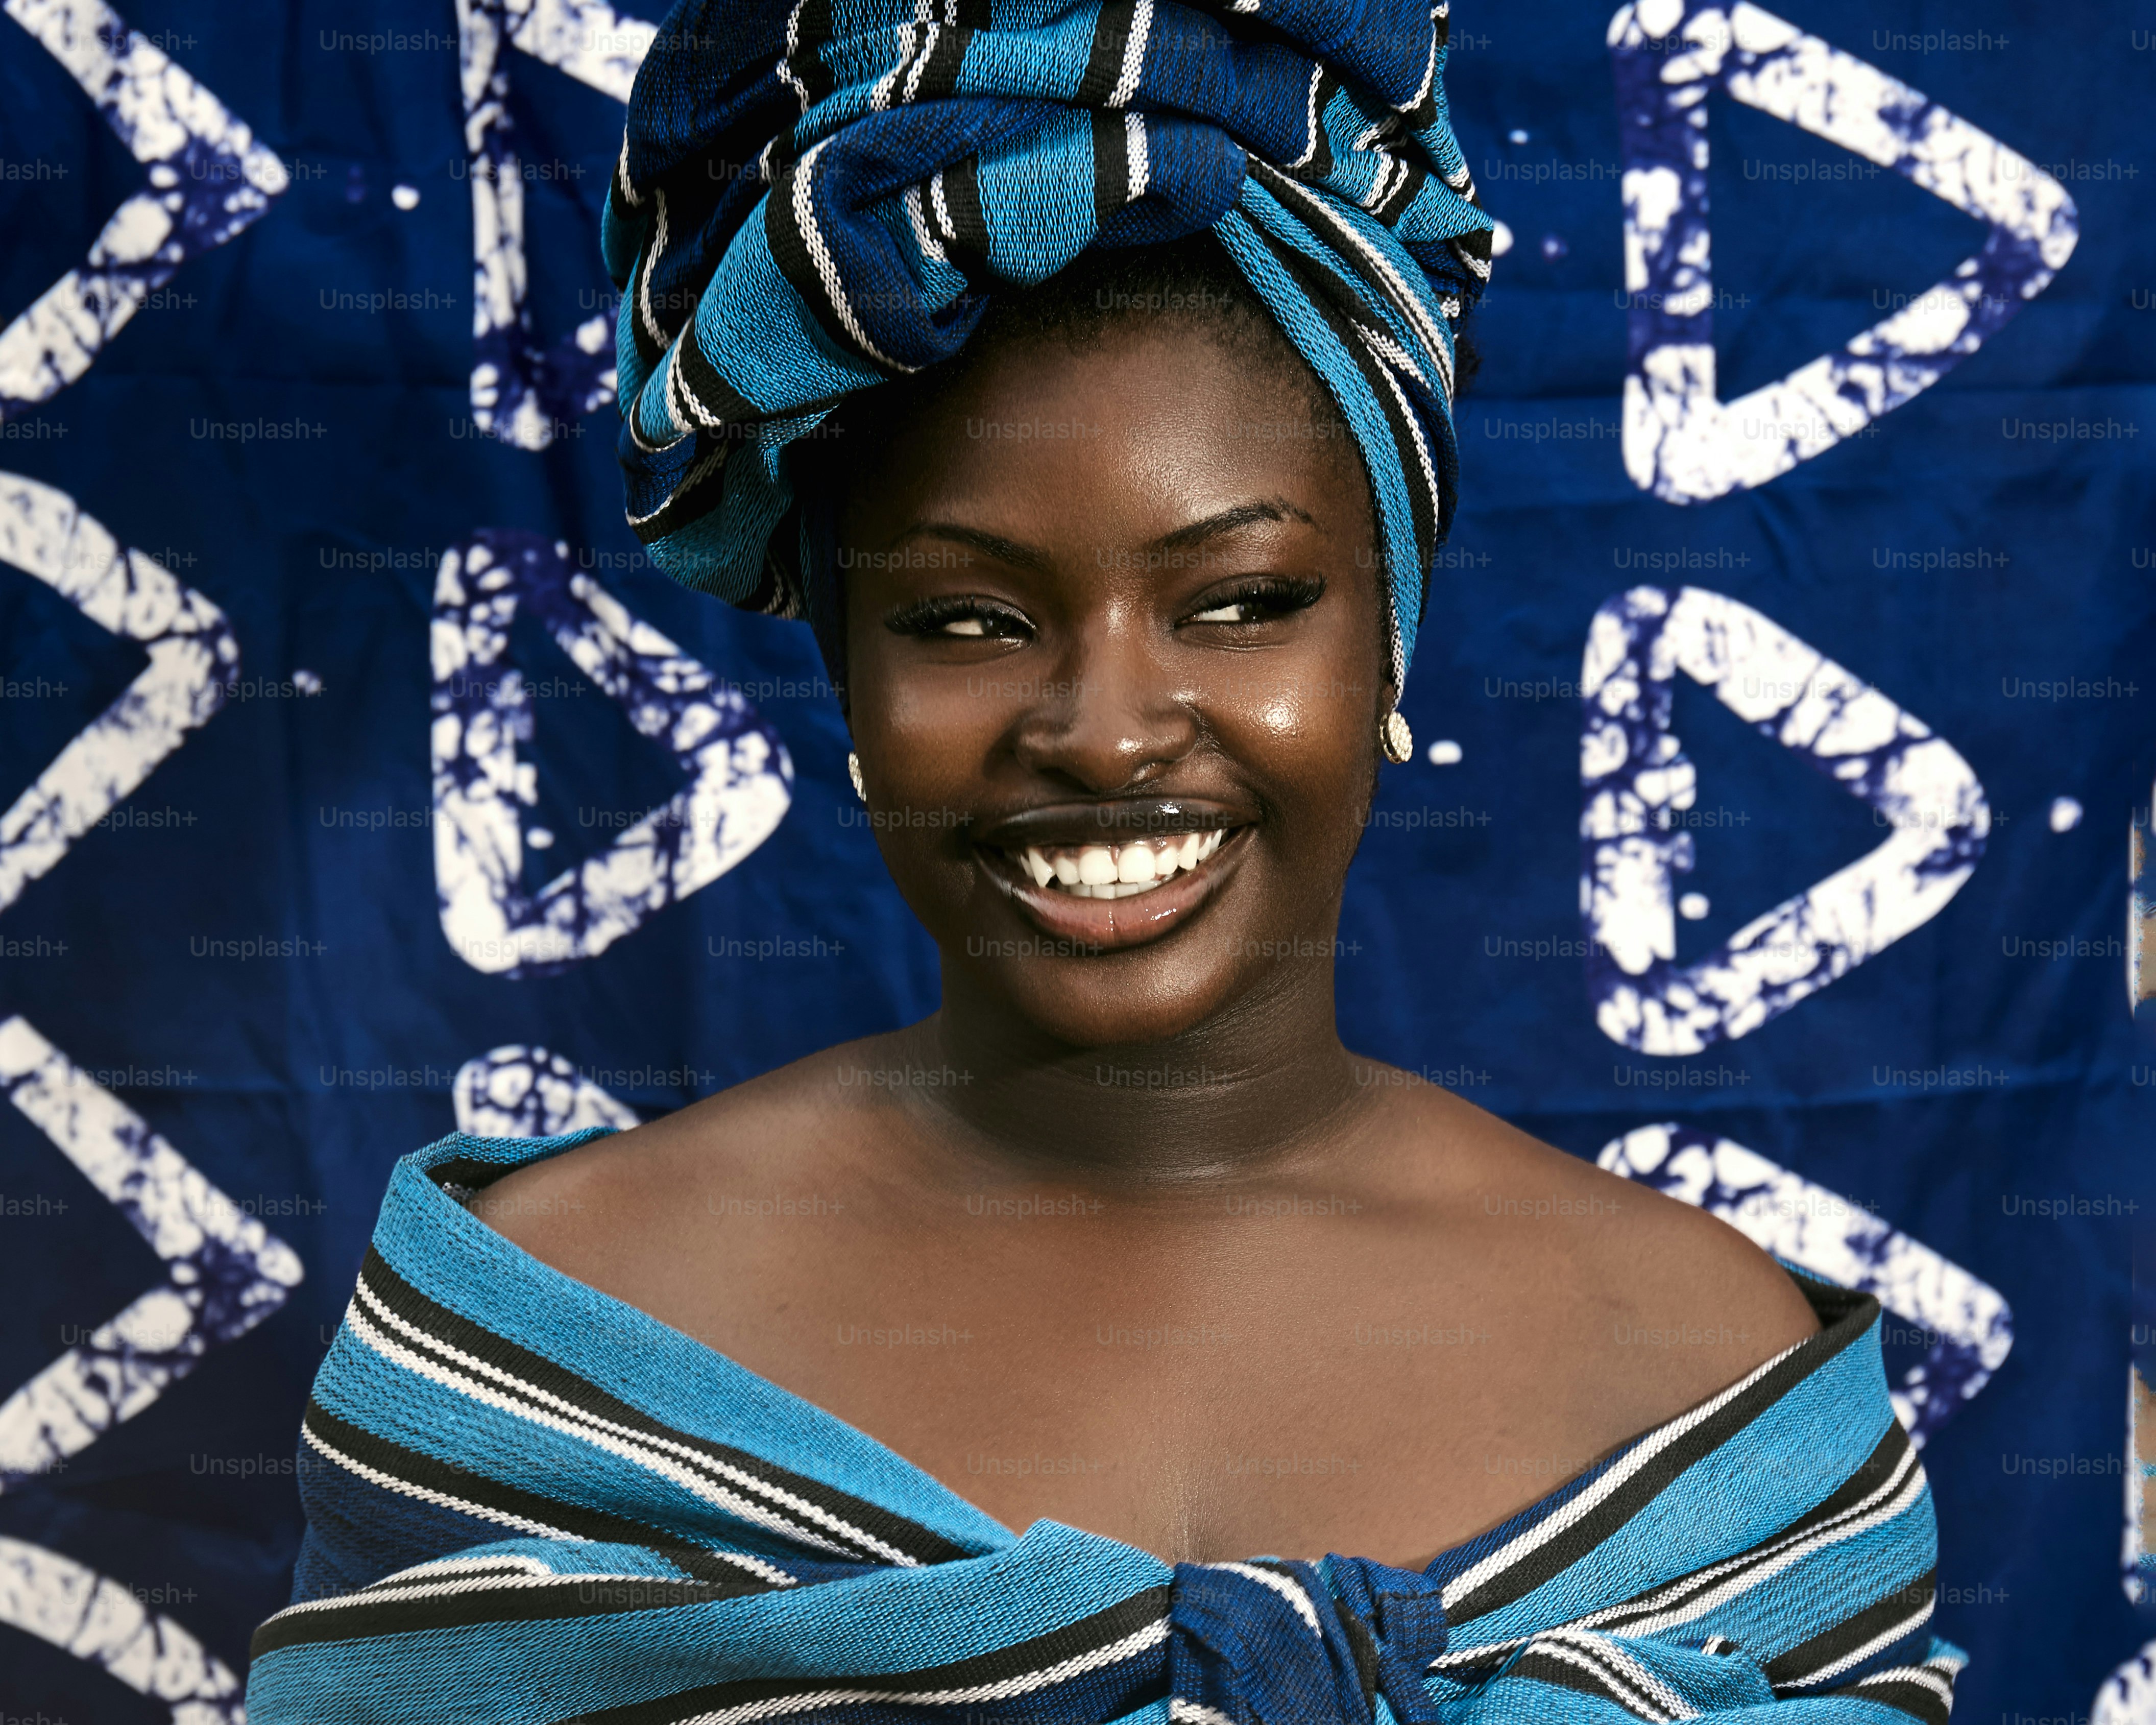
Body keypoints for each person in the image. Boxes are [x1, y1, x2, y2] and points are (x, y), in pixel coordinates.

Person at [245, 3, 1963, 1720]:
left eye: (1243, 601)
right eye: (968, 618)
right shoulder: (539, 1356)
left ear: (1388, 648)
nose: (1108, 727)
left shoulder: (1726, 1390)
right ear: (847, 669)